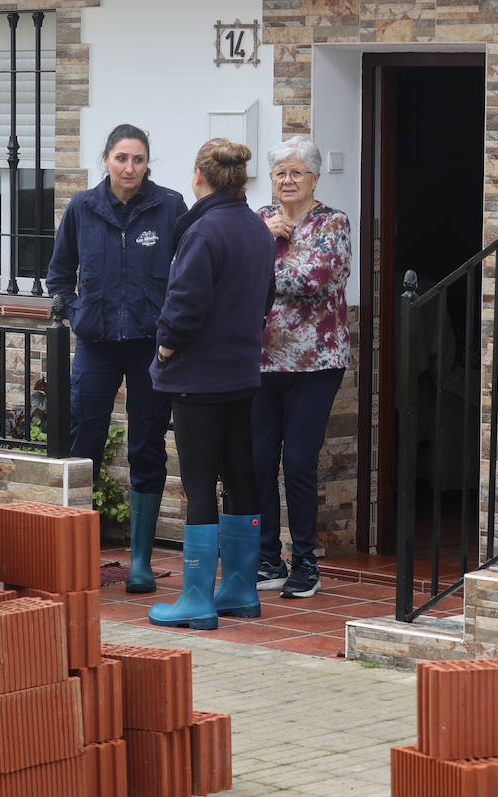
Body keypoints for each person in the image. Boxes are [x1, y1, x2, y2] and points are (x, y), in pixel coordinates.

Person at [46, 124, 187, 595]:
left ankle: (141, 563)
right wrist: (76, 314)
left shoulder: (168, 207)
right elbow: (60, 273)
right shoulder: (82, 208)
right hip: (97, 343)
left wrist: (173, 320)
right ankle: (77, 555)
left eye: (139, 160)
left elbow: (188, 270)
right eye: (122, 158)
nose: (130, 168)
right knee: (83, 437)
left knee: (147, 444)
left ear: (148, 163)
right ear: (105, 159)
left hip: (152, 344)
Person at [146, 138, 276, 631]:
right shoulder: (258, 230)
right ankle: (240, 590)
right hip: (242, 374)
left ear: (199, 175)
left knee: (199, 482)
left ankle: (197, 599)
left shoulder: (204, 232)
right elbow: (265, 300)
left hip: (197, 377)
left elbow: (184, 308)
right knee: (240, 474)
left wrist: (163, 350)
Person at [252, 136, 352, 599]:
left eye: (296, 172)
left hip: (316, 363)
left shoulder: (333, 224)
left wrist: (272, 254)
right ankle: (267, 557)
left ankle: (305, 562)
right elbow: (238, 276)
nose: (287, 181)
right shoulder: (257, 222)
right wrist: (270, 246)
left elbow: (312, 280)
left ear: (314, 177)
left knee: (297, 463)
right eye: (279, 173)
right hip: (261, 362)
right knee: (257, 463)